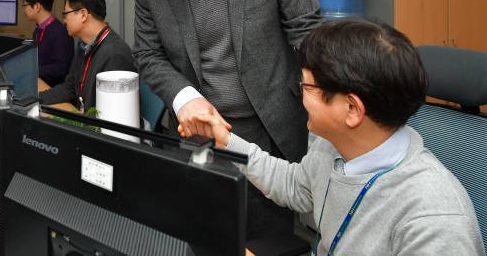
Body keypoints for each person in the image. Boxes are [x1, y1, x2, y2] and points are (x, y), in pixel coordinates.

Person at [125, 0, 323, 238]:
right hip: (197, 136)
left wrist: (326, 103)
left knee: (267, 239)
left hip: (271, 132)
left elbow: (307, 30)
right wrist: (185, 99)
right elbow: (148, 55)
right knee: (200, 236)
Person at [187, 19, 485, 255]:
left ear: (352, 109)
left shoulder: (436, 222)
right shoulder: (333, 143)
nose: (299, 95)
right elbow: (297, 187)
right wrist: (225, 140)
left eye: (306, 87)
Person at [39, 0, 136, 113]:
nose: (64, 20)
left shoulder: (114, 55)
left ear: (83, 15)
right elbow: (70, 87)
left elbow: (111, 117)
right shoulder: (83, 45)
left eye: (66, 14)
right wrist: (37, 99)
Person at [20, 0, 74, 87]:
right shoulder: (38, 30)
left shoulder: (60, 32)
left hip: (53, 89)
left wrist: (32, 71)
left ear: (37, 6)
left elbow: (61, 68)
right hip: (39, 83)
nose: (24, 10)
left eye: (25, 5)